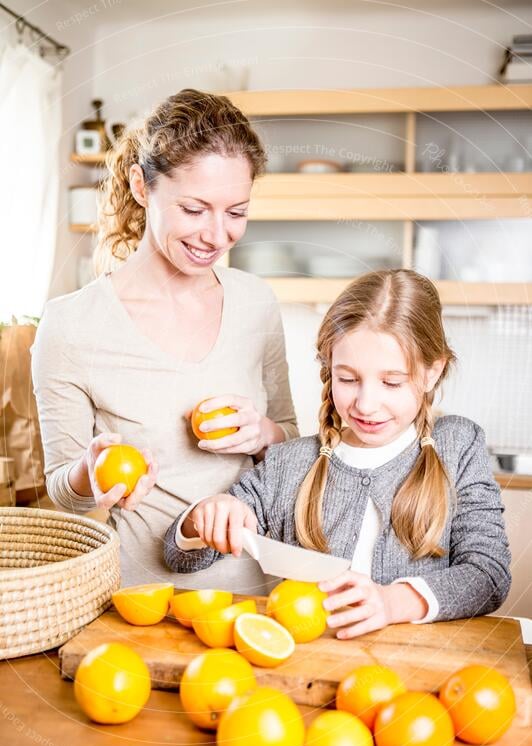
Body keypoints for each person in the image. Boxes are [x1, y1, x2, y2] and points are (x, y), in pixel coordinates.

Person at [32, 89, 298, 589]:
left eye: (236, 212)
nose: (217, 236)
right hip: (139, 604)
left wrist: (263, 432)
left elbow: (291, 441)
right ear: (141, 186)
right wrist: (91, 472)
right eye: (195, 210)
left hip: (260, 600)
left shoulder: (257, 303)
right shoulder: (70, 327)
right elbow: (63, 489)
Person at [164, 269, 511, 637]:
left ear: (431, 372)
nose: (366, 403)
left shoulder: (458, 446)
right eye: (347, 378)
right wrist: (205, 517)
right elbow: (177, 554)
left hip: (415, 676)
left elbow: (489, 573)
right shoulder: (289, 463)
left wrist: (393, 602)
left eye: (391, 382)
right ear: (329, 368)